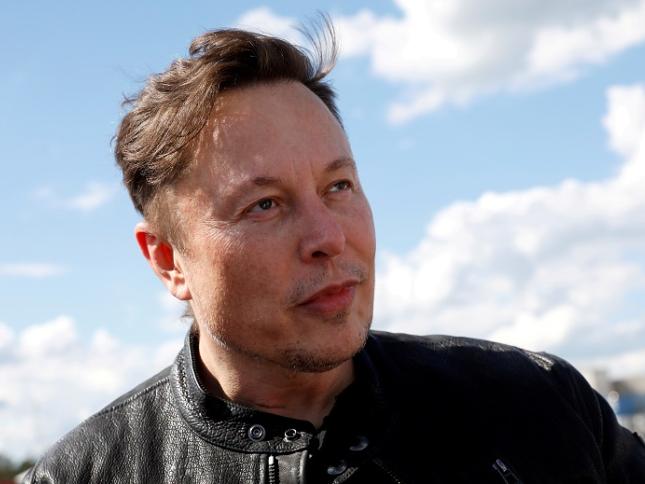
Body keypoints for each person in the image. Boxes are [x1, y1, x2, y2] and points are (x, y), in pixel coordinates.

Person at [24, 22, 645, 484]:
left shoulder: (542, 408)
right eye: (264, 204)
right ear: (167, 261)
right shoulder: (83, 475)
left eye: (338, 187)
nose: (329, 236)